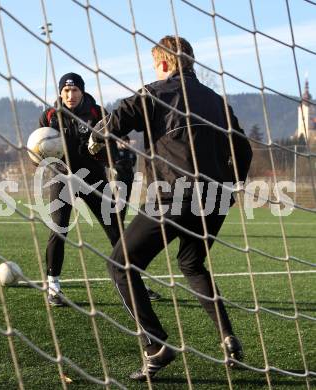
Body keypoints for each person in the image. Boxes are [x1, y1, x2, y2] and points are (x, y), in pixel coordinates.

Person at [89, 36, 252, 381]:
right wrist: (228, 179)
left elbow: (119, 117)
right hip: (217, 200)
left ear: (164, 64)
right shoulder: (218, 101)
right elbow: (244, 149)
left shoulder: (155, 92)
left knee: (120, 265)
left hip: (174, 197)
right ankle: (228, 337)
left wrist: (97, 137)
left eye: (154, 65)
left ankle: (156, 347)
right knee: (192, 263)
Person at [39, 72, 160, 306]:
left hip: (93, 178)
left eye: (74, 90)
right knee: (58, 229)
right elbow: (38, 150)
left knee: (117, 231)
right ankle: (53, 286)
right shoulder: (49, 116)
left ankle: (136, 283)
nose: (70, 95)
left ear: (82, 91)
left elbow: (112, 146)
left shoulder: (98, 114)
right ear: (60, 92)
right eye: (66, 90)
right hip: (61, 179)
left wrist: (114, 160)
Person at [114, 135, 162, 301]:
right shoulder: (115, 152)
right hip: (118, 183)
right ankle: (117, 224)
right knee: (118, 207)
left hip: (128, 182)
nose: (124, 143)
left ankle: (119, 222)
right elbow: (115, 167)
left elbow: (132, 167)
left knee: (124, 205)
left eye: (126, 141)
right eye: (122, 141)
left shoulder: (131, 154)